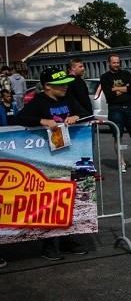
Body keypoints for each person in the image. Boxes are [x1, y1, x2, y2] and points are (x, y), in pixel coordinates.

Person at [14, 67, 89, 260]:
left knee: (70, 197)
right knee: (49, 200)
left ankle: (66, 240)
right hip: (46, 157)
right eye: (60, 84)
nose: (65, 87)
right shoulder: (39, 101)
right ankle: (47, 244)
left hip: (70, 156)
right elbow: (19, 118)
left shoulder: (68, 99)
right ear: (47, 86)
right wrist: (42, 121)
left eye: (65, 83)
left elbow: (86, 113)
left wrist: (76, 116)